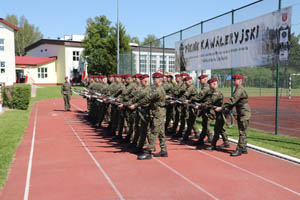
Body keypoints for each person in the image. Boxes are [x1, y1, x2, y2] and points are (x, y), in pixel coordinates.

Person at [129, 72, 167, 160]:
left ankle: (148, 152)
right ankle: (164, 150)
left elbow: (148, 99)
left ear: (161, 79)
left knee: (153, 132)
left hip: (158, 112)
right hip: (158, 112)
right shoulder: (156, 88)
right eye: (153, 78)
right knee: (161, 132)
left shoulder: (158, 90)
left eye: (156, 78)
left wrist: (135, 105)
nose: (154, 80)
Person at [215, 74, 251, 156]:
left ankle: (239, 149)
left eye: (236, 80)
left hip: (244, 112)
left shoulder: (239, 90)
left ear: (240, 81)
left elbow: (232, 101)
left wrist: (221, 107)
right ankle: (244, 148)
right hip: (242, 111)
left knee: (242, 131)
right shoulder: (237, 89)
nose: (234, 81)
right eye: (233, 80)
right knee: (243, 130)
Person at [203, 78, 230, 150]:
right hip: (218, 113)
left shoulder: (216, 92)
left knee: (217, 128)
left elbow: (211, 101)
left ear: (214, 84)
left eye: (210, 84)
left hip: (221, 113)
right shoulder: (214, 91)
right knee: (220, 128)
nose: (209, 85)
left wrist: (202, 105)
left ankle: (213, 145)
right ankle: (226, 142)